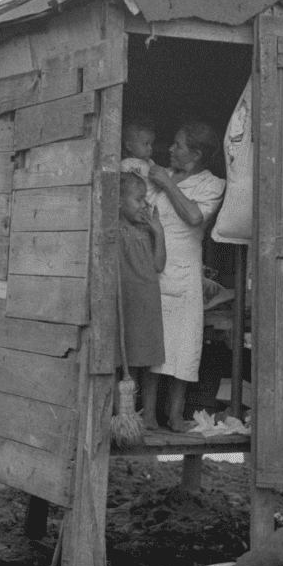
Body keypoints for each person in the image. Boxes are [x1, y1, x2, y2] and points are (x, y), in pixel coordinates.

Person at [148, 121, 225, 431]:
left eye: (178, 145)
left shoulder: (212, 185)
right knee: (154, 345)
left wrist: (167, 184)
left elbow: (194, 217)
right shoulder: (157, 176)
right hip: (153, 266)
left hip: (184, 272)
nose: (170, 149)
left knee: (184, 345)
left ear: (195, 154)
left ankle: (176, 415)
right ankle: (150, 416)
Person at [117, 172, 166, 429]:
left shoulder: (145, 230)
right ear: (117, 202)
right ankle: (126, 417)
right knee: (129, 361)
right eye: (138, 200)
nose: (144, 206)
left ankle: (149, 416)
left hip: (148, 300)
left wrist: (159, 232)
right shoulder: (114, 229)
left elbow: (158, 265)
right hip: (128, 301)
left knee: (150, 360)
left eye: (145, 200)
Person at [120, 117, 158, 202]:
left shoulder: (150, 162)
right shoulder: (127, 164)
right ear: (129, 146)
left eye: (151, 144)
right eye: (146, 144)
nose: (150, 148)